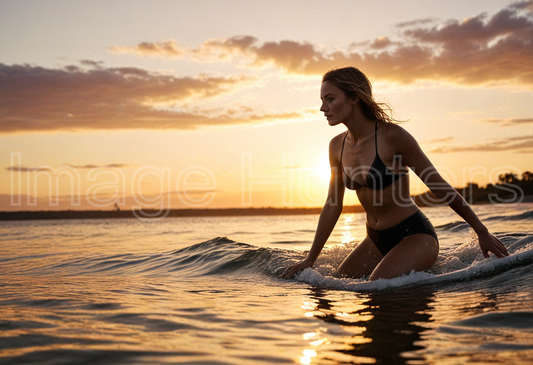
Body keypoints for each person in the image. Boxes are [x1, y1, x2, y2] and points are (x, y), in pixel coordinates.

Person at [281, 67, 508, 281]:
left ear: (354, 98)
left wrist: (482, 232)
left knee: (376, 287)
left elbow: (439, 186)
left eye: (330, 99)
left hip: (415, 235)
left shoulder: (393, 137)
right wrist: (310, 259)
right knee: (335, 284)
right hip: (375, 239)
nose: (323, 108)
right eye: (322, 101)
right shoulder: (336, 146)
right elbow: (332, 205)